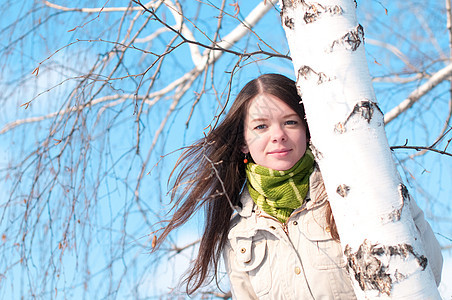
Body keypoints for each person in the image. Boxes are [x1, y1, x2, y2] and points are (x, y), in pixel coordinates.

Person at [154, 73, 443, 298]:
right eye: (261, 126)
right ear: (243, 142)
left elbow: (424, 268)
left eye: (290, 122)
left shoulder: (354, 187)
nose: (278, 135)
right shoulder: (239, 233)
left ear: (307, 128)